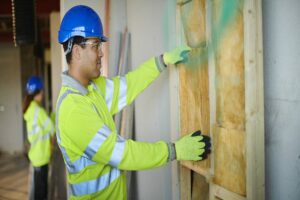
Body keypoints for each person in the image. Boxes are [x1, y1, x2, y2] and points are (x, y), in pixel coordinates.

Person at [56, 5, 211, 199]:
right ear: (77, 51)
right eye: (96, 46)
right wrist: (174, 151)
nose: (101, 53)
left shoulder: (92, 89)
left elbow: (128, 85)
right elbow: (123, 153)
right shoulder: (73, 111)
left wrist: (162, 61)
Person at [23, 76, 55, 200]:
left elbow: (44, 127)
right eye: (42, 91)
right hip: (42, 156)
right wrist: (53, 115)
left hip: (35, 155)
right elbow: (52, 129)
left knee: (38, 189)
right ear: (38, 92)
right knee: (42, 192)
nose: (43, 93)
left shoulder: (30, 110)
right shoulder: (38, 111)